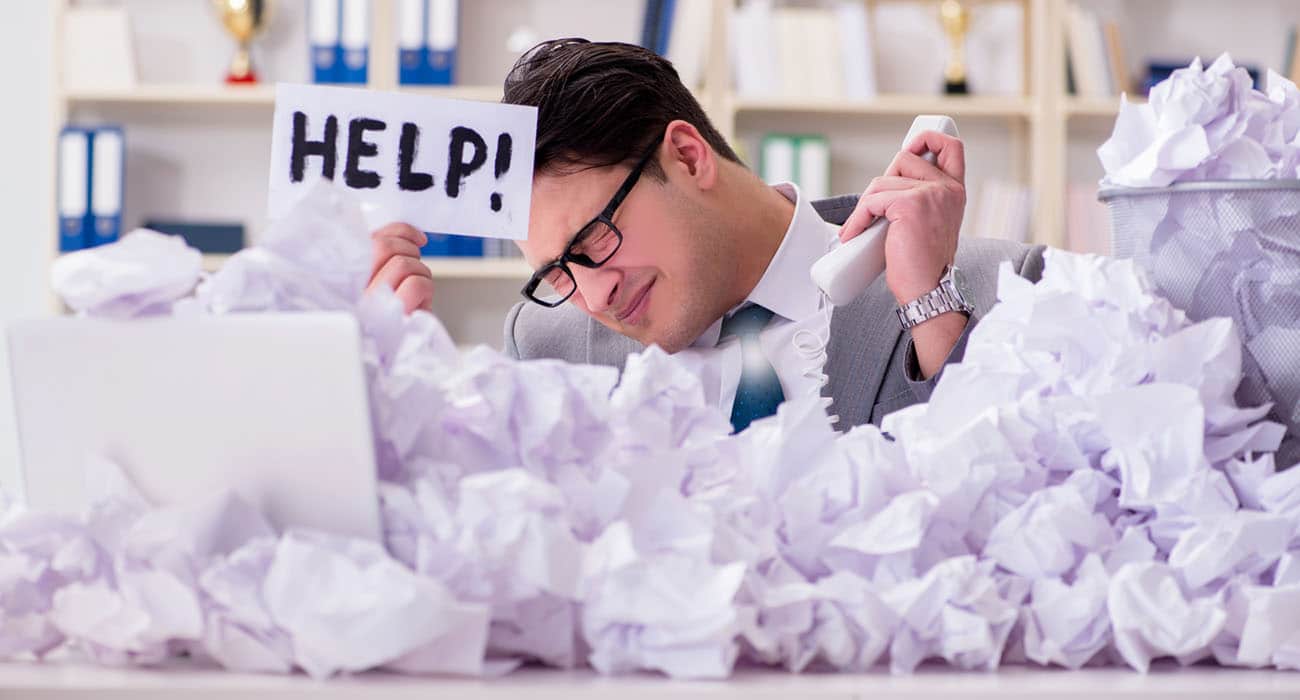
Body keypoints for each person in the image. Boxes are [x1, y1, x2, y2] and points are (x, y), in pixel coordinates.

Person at [368, 39, 1045, 432]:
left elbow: (1029, 517)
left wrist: (928, 305)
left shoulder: (999, 287)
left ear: (688, 158)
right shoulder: (547, 345)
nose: (594, 296)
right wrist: (393, 379)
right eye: (556, 274)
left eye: (595, 240)